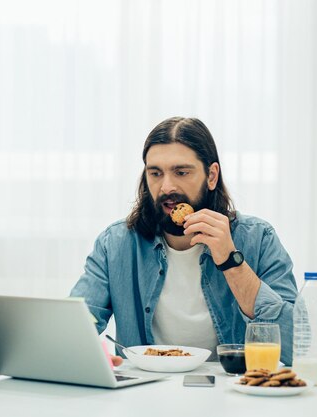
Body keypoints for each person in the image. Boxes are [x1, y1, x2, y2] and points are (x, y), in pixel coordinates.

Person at [70, 117, 298, 366]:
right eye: (155, 173)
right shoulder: (115, 243)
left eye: (181, 172)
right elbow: (73, 325)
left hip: (233, 393)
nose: (167, 186)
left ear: (211, 176)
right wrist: (94, 354)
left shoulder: (258, 238)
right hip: (143, 393)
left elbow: (296, 347)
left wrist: (230, 261)